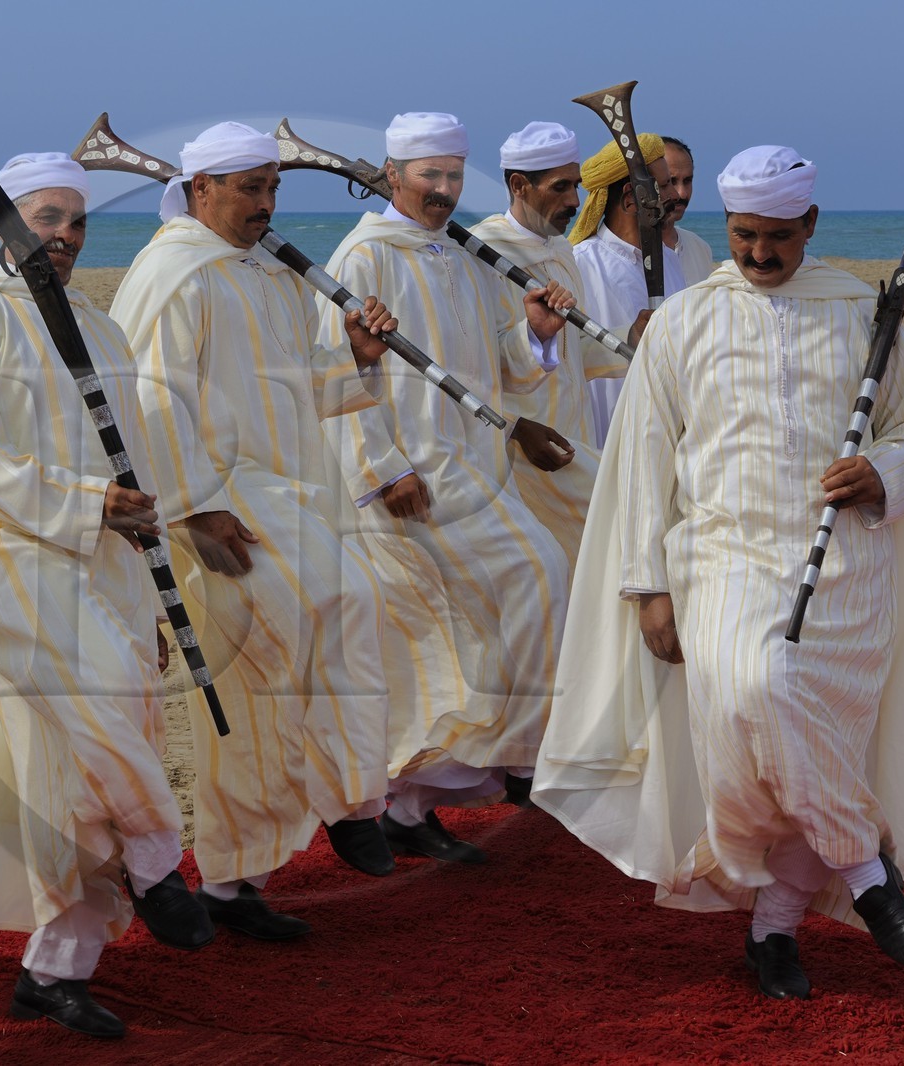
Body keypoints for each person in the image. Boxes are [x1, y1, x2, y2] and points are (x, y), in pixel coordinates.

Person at [533, 146, 904, 1000]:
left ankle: (772, 931)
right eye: (744, 236)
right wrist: (647, 586)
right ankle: (863, 867)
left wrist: (885, 472)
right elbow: (640, 465)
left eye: (779, 237)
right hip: (722, 560)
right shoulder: (685, 319)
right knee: (760, 690)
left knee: (818, 744)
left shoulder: (861, 311)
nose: (761, 254)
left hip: (847, 561)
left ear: (810, 224)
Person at [0, 154, 211, 1041]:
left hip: (101, 568)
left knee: (78, 777)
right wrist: (86, 502)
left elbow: (131, 459)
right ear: (7, 226)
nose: (63, 236)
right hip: (8, 571)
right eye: (46, 218)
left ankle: (56, 970)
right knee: (98, 722)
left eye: (76, 222)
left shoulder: (103, 329)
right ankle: (155, 861)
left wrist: (144, 559)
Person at [109, 122, 399, 936]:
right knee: (306, 631)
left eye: (274, 189)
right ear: (202, 190)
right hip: (219, 498)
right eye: (251, 189)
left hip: (285, 494)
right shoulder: (173, 274)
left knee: (319, 637)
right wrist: (195, 508)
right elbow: (154, 397)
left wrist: (358, 355)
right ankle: (339, 808)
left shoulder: (265, 272)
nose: (267, 205)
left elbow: (292, 383)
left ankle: (245, 878)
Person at [317, 112, 577, 860]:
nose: (444, 189)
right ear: (394, 176)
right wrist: (381, 469)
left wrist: (535, 332)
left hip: (474, 462)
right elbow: (336, 368)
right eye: (430, 176)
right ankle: (501, 765)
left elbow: (500, 360)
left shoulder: (461, 253)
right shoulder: (362, 254)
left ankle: (420, 797)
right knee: (532, 578)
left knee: (501, 613)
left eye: (454, 175)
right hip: (416, 474)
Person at [468, 120, 622, 567]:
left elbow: (575, 353)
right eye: (561, 187)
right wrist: (514, 426)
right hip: (522, 453)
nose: (575, 201)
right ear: (519, 185)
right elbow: (472, 361)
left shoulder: (562, 252)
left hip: (572, 443)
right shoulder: (480, 253)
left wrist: (636, 338)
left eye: (576, 185)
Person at [568, 133, 686, 448]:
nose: (673, 194)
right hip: (606, 440)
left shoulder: (671, 261)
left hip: (668, 437)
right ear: (631, 197)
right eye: (663, 186)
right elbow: (565, 360)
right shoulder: (580, 264)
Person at [660, 136, 716, 283]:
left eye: (687, 181)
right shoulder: (622, 255)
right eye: (670, 181)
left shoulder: (699, 248)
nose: (682, 193)